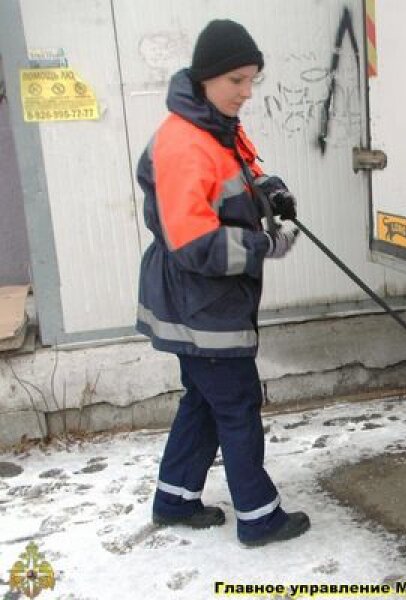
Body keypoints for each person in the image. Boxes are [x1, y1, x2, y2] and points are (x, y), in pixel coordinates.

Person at [135, 18, 308, 547]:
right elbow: (194, 246)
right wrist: (265, 245)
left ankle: (173, 499)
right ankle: (259, 517)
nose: (246, 92)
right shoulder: (185, 141)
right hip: (200, 305)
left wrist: (268, 189)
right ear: (207, 76)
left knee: (205, 400)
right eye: (237, 79)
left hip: (208, 303)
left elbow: (239, 169)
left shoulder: (213, 124)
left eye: (252, 79)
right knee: (235, 405)